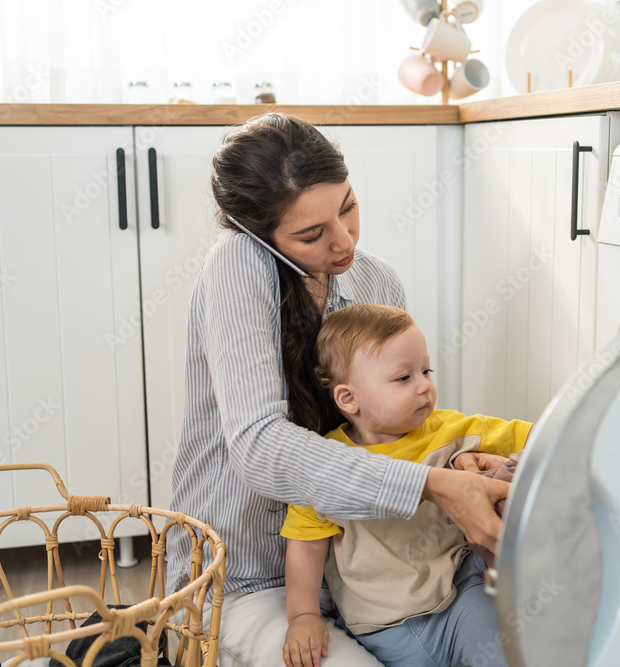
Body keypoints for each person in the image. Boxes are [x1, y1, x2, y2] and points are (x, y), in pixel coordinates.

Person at [166, 112, 512, 667]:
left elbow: (398, 419)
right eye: (310, 234)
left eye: (348, 206)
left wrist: (464, 466)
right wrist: (430, 483)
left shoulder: (376, 282)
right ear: (260, 236)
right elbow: (258, 447)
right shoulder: (235, 264)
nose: (344, 240)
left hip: (370, 577)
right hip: (252, 573)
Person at [280, 304, 530, 667]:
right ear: (349, 398)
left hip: (461, 590)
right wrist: (302, 616)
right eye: (404, 378)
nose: (425, 386)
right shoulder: (329, 461)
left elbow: (533, 434)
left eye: (426, 371)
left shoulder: (449, 428)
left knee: (502, 652)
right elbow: (306, 546)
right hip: (387, 622)